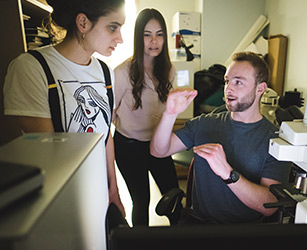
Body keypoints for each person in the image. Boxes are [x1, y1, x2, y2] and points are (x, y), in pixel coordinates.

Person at [3, 0, 126, 217]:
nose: (120, 38)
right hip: (58, 197)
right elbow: (48, 150)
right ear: (83, 23)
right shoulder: (31, 68)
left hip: (98, 190)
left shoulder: (105, 72)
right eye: (112, 27)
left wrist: (113, 188)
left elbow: (106, 136)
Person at [150, 51, 291, 224]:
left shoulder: (276, 140)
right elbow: (158, 151)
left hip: (244, 232)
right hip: (200, 225)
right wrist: (170, 114)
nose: (228, 88)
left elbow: (270, 205)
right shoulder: (205, 123)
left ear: (260, 88)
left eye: (238, 82)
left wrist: (228, 173)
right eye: (227, 81)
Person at [113, 8, 180, 226]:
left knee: (174, 197)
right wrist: (128, 124)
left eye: (159, 34)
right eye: (147, 34)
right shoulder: (122, 72)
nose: (154, 41)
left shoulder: (169, 70)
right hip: (129, 146)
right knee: (141, 201)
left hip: (158, 144)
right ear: (138, 37)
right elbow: (108, 113)